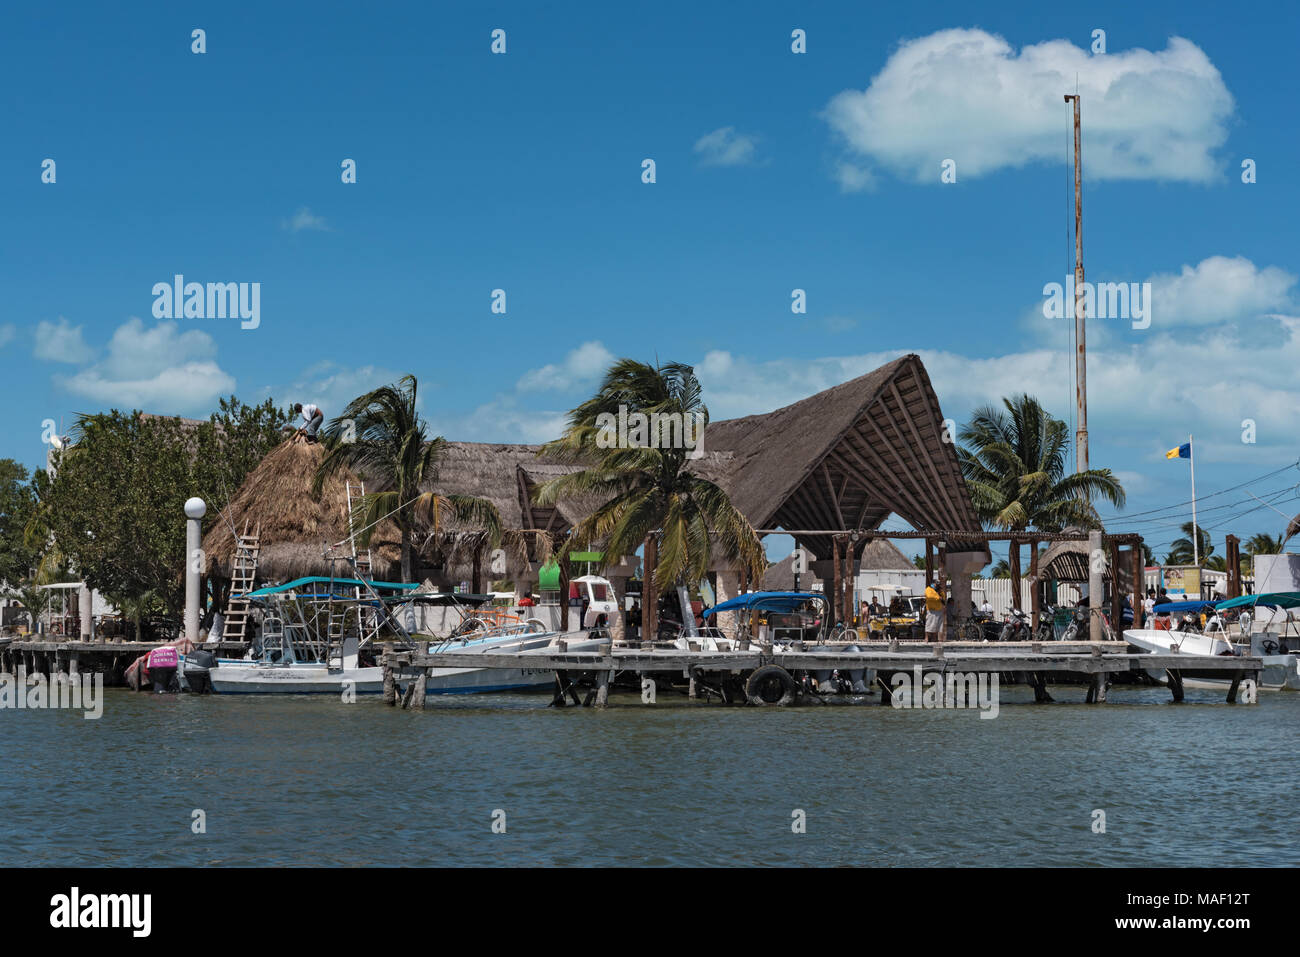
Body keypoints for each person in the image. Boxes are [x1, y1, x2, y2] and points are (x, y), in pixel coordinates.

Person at [924, 578, 944, 642]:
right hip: (931, 610)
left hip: (939, 610)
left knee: (937, 626)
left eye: (938, 584)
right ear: (933, 584)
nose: (937, 585)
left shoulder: (939, 590)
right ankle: (926, 638)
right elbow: (930, 596)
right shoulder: (928, 589)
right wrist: (938, 597)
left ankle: (934, 638)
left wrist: (939, 595)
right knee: (929, 624)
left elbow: (943, 597)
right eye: (936, 584)